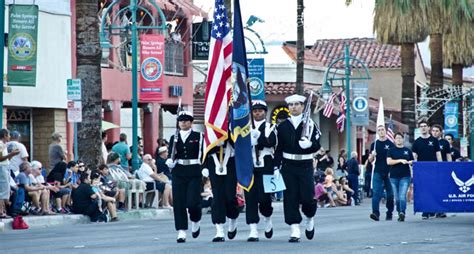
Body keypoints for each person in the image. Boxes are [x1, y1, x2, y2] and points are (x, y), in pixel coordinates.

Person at [273, 94, 321, 242]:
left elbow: (317, 144)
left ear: (302, 106)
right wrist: (276, 167)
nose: (293, 107)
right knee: (290, 197)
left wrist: (310, 146)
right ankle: (294, 227)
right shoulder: (282, 126)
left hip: (305, 165)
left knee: (307, 197)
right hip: (288, 165)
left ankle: (309, 217)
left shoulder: (310, 124)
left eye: (297, 104)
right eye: (291, 105)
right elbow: (278, 148)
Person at [165, 111, 203, 243]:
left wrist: (205, 168)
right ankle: (181, 230)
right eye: (181, 120)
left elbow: (202, 153)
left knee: (193, 202)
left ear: (191, 122)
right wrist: (170, 161)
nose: (183, 123)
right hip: (179, 171)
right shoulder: (174, 137)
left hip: (194, 171)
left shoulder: (198, 136)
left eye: (186, 120)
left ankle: (196, 219)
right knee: (179, 202)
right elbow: (172, 153)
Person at [244, 100, 277, 242]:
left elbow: (272, 143)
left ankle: (267, 217)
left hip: (266, 164)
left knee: (264, 197)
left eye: (260, 110)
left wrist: (260, 137)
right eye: (255, 111)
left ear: (265, 112)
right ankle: (253, 229)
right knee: (250, 197)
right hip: (249, 165)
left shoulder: (271, 127)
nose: (257, 113)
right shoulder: (245, 128)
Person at [202, 139, 238, 242]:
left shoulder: (232, 124)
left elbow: (239, 143)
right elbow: (205, 147)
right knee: (217, 197)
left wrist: (227, 138)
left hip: (230, 162)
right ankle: (219, 230)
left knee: (230, 196)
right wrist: (204, 166)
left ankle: (233, 217)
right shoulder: (210, 124)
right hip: (214, 161)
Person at [412, 119, 442, 220]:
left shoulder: (434, 141)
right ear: (419, 129)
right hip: (421, 170)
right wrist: (414, 169)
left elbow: (438, 155)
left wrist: (441, 167)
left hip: (433, 169)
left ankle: (432, 209)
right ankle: (425, 211)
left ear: (428, 128)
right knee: (423, 191)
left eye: (425, 126)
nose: (423, 128)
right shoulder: (417, 142)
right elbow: (414, 157)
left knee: (433, 190)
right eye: (421, 126)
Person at [369, 125, 395, 221]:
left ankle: (389, 212)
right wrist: (372, 155)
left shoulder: (391, 144)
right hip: (378, 171)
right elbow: (370, 160)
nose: (381, 132)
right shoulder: (374, 144)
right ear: (377, 132)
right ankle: (375, 213)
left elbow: (394, 158)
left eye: (382, 130)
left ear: (385, 131)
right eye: (379, 130)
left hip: (389, 171)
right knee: (376, 193)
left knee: (390, 194)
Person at [387, 132, 413, 222]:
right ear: (394, 140)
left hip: (405, 176)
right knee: (397, 197)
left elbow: (412, 160)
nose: (398, 139)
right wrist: (400, 160)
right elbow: (389, 162)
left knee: (402, 196)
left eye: (400, 138)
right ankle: (399, 212)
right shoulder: (391, 150)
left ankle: (402, 212)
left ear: (403, 139)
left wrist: (410, 162)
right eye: (397, 138)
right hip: (394, 177)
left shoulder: (407, 150)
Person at [0, 129, 20, 218]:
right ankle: (1, 211)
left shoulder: (4, 145)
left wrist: (12, 155)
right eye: (8, 135)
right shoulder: (0, 144)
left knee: (6, 189)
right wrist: (11, 153)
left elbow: (6, 159)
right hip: (2, 168)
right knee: (3, 190)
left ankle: (3, 210)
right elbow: (0, 158)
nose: (9, 137)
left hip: (5, 167)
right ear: (4, 135)